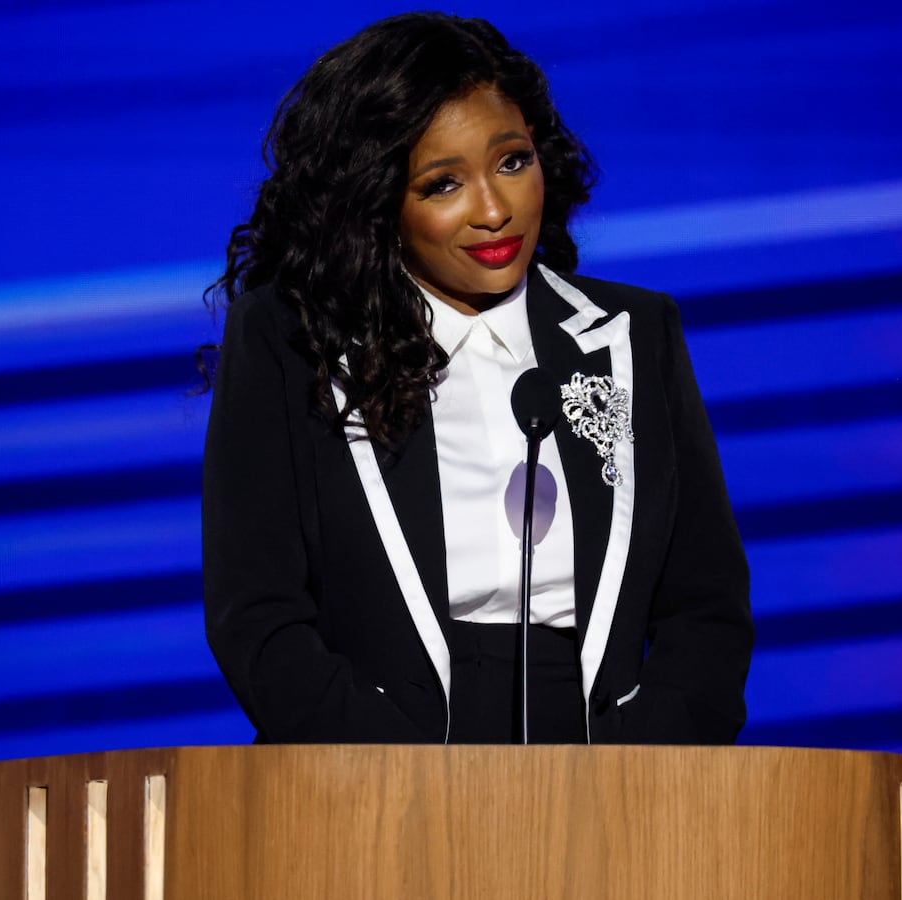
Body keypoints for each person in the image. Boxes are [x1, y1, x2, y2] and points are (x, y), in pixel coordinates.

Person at [201, 11, 751, 744]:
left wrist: (647, 772)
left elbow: (706, 605)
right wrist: (393, 784)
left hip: (613, 774)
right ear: (379, 204)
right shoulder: (293, 340)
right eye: (443, 184)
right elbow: (258, 616)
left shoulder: (633, 335)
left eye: (513, 162)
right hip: (372, 771)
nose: (494, 210)